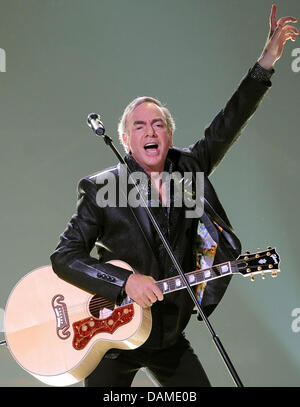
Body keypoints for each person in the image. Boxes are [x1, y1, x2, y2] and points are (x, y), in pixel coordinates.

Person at [50, 5, 298, 387]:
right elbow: (65, 256)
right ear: (126, 141)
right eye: (140, 125)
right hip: (111, 337)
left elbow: (228, 123)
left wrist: (265, 63)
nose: (151, 130)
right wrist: (123, 283)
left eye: (159, 124)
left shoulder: (189, 169)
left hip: (167, 337)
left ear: (168, 135)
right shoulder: (101, 189)